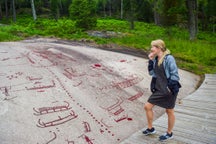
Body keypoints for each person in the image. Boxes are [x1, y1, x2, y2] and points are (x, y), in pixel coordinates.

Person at [143, 39, 181, 141]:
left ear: (159, 48)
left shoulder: (169, 59)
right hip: (159, 89)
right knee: (147, 106)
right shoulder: (155, 59)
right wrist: (150, 61)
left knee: (169, 111)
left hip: (169, 90)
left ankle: (169, 133)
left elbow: (175, 75)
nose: (151, 49)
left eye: (153, 47)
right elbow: (151, 73)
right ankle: (150, 129)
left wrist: (169, 88)